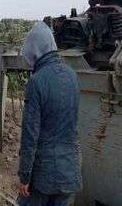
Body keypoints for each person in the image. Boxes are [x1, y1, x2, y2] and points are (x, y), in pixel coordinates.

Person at [17, 22, 81, 206]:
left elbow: (30, 135)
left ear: (34, 49)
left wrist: (24, 176)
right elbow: (73, 126)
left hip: (43, 178)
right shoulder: (72, 76)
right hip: (70, 172)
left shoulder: (36, 82)